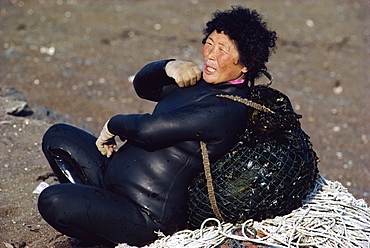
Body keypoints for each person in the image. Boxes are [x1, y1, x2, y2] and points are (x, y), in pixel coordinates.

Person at [38, 6, 277, 247]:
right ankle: (95, 213)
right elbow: (143, 88)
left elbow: (149, 131)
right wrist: (168, 66)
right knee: (58, 136)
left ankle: (101, 237)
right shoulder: (202, 82)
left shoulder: (227, 110)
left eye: (222, 50)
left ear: (246, 64)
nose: (210, 55)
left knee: (53, 200)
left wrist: (112, 125)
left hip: (145, 215)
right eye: (210, 43)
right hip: (112, 181)